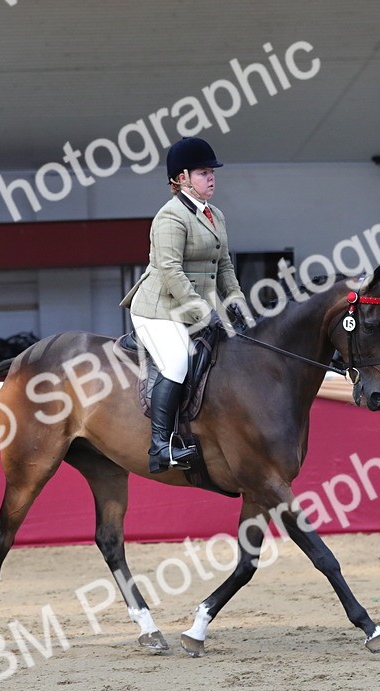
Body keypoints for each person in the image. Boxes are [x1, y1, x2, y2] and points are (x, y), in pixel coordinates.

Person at [120, 136, 249, 474]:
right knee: (178, 362)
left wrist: (236, 304)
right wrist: (204, 313)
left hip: (191, 306)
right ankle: (160, 446)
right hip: (158, 308)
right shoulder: (170, 217)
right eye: (204, 172)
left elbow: (224, 267)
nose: (211, 178)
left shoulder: (215, 215)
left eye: (212, 172)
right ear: (181, 178)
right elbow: (171, 272)